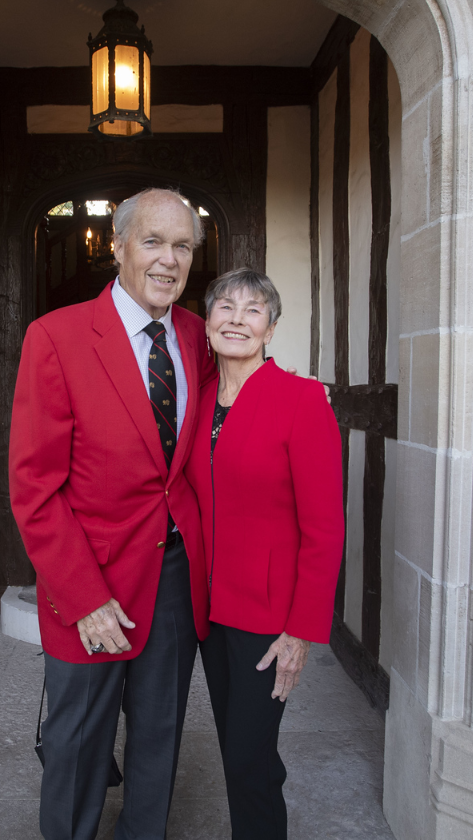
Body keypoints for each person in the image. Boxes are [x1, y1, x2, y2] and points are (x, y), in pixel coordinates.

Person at [9, 188, 217, 840]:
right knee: (77, 740)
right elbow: (34, 486)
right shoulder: (56, 337)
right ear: (117, 246)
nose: (169, 259)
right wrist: (82, 594)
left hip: (176, 572)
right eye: (153, 241)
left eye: (182, 245)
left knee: (159, 733)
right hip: (89, 575)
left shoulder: (195, 334)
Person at [182, 268, 345, 840]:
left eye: (253, 311)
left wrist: (300, 631)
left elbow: (324, 528)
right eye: (224, 307)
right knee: (238, 751)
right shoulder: (197, 402)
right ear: (207, 324)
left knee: (251, 761)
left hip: (267, 620)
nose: (236, 319)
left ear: (271, 329)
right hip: (210, 613)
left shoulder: (301, 399)